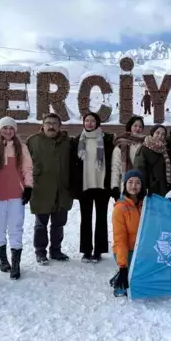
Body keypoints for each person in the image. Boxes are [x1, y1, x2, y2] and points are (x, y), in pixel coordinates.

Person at [26, 113, 74, 265]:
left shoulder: (68, 142)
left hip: (62, 190)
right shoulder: (33, 141)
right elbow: (23, 164)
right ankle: (40, 252)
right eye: (48, 123)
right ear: (43, 125)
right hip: (41, 189)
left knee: (59, 223)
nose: (51, 126)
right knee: (41, 224)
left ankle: (56, 250)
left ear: (60, 126)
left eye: (54, 123)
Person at [0, 117, 33, 280]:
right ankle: (3, 260)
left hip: (16, 194)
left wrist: (28, 187)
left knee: (16, 228)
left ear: (15, 130)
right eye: (4, 128)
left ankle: (16, 264)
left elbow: (27, 168)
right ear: (0, 130)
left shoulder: (21, 148)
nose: (8, 131)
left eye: (11, 128)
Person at [71, 112, 115, 263]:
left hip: (102, 185)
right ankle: (86, 250)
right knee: (86, 219)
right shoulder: (78, 140)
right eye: (87, 120)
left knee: (101, 219)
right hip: (85, 186)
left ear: (97, 123)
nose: (89, 123)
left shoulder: (107, 139)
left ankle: (99, 250)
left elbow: (113, 161)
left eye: (92, 120)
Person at [110, 170, 146, 297]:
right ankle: (121, 275)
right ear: (125, 185)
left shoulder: (147, 204)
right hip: (128, 251)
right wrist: (123, 266)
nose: (134, 186)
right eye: (130, 182)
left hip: (144, 251)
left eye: (137, 182)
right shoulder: (120, 208)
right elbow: (120, 240)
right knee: (129, 288)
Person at [110, 116, 146, 201]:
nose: (138, 129)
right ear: (130, 126)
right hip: (124, 187)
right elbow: (115, 168)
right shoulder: (120, 145)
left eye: (140, 127)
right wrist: (114, 187)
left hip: (141, 188)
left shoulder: (146, 145)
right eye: (135, 126)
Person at [135, 125, 171, 197]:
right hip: (150, 189)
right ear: (152, 133)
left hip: (163, 187)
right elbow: (139, 169)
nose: (160, 136)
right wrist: (143, 188)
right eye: (157, 133)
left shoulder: (165, 150)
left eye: (163, 134)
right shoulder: (143, 149)